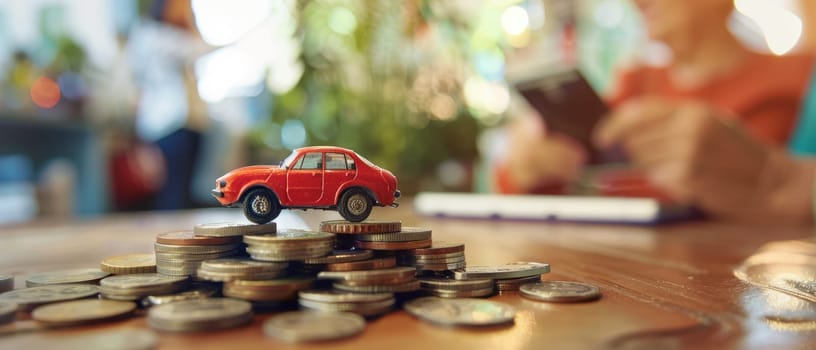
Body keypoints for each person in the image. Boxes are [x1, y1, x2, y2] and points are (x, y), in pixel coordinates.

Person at [496, 0, 815, 216]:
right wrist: (527, 168)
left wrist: (766, 175)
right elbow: (572, 179)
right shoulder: (633, 83)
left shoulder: (801, 75)